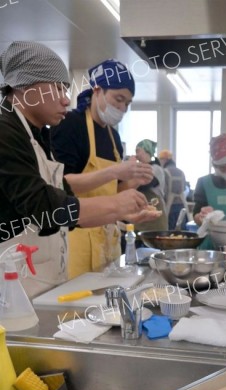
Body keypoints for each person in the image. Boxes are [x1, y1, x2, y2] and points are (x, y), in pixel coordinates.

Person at [0, 41, 159, 297]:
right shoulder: (5, 132)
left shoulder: (39, 136)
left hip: (40, 278)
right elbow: (44, 206)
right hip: (11, 286)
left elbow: (67, 202)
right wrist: (116, 204)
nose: (66, 99)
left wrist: (122, 213)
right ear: (25, 86)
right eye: (58, 88)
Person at [50, 59, 156, 278]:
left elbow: (111, 192)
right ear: (97, 90)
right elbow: (60, 186)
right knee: (75, 310)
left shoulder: (113, 136)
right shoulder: (70, 124)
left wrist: (134, 186)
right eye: (118, 99)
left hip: (108, 240)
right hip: (75, 241)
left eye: (127, 103)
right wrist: (114, 171)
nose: (122, 108)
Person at [134, 139, 168, 232]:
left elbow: (144, 185)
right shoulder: (140, 169)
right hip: (142, 215)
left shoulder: (155, 169)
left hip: (155, 217)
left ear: (147, 152)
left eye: (138, 151)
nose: (136, 155)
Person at [158, 149, 188, 229]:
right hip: (182, 206)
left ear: (165, 160)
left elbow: (163, 192)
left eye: (160, 159)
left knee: (170, 234)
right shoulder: (181, 172)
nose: (160, 162)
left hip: (169, 208)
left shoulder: (164, 172)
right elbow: (184, 188)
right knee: (182, 233)